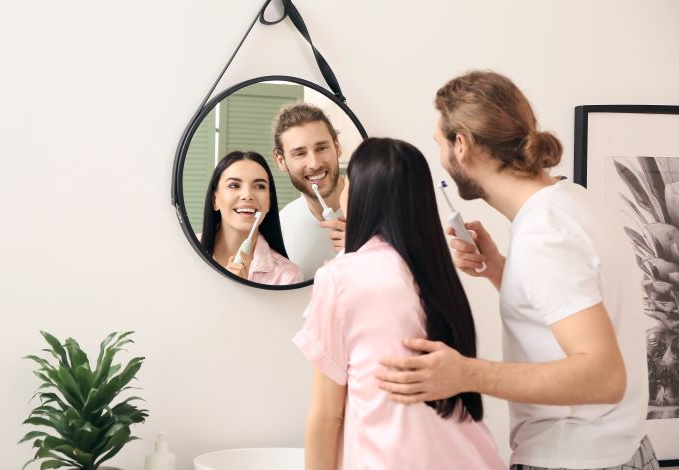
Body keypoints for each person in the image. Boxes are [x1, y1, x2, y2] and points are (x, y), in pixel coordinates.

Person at [376, 71, 659, 469]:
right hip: (620, 453)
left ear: (462, 145)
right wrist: (501, 273)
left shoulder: (545, 232)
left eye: (439, 143)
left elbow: (604, 377)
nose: (440, 156)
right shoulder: (571, 201)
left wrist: (465, 374)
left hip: (576, 461)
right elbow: (572, 310)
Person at [293, 137, 506, 470]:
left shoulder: (339, 278)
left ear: (363, 195)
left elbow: (327, 416)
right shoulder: (436, 273)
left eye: (348, 183)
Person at [200, 150, 303, 285]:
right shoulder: (183, 250)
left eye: (259, 186)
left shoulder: (288, 276)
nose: (247, 195)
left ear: (269, 203)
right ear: (215, 200)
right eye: (234, 185)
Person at [272, 102, 347, 279]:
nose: (314, 164)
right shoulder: (281, 228)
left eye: (321, 148)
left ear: (337, 146)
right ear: (281, 160)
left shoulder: (383, 210)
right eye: (299, 153)